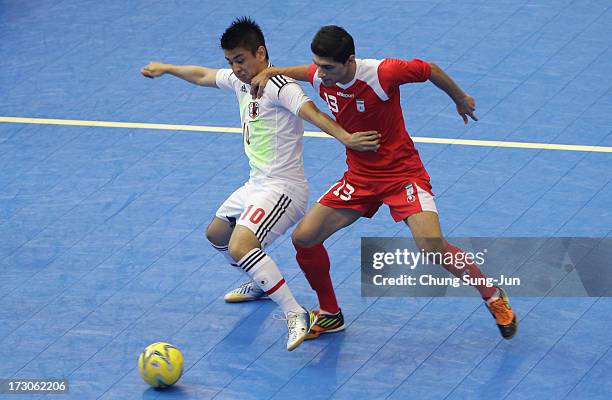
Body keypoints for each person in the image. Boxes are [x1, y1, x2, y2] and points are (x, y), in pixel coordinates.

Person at [243, 25, 518, 340]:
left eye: (328, 67)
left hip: (402, 176)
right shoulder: (322, 73)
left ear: (350, 60)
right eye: (317, 65)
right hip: (359, 179)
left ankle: (492, 294)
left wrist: (459, 97)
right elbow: (305, 71)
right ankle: (331, 314)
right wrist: (273, 71)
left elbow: (429, 69)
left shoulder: (383, 73)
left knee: (431, 245)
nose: (320, 73)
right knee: (304, 238)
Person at [140, 18, 379, 351]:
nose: (235, 68)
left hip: (284, 189)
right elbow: (203, 75)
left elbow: (313, 113)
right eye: (230, 62)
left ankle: (297, 314)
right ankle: (261, 282)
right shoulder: (241, 81)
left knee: (241, 246)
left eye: (240, 59)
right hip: (256, 183)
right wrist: (166, 68)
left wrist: (346, 138)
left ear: (260, 53)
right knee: (217, 234)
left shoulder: (280, 86)